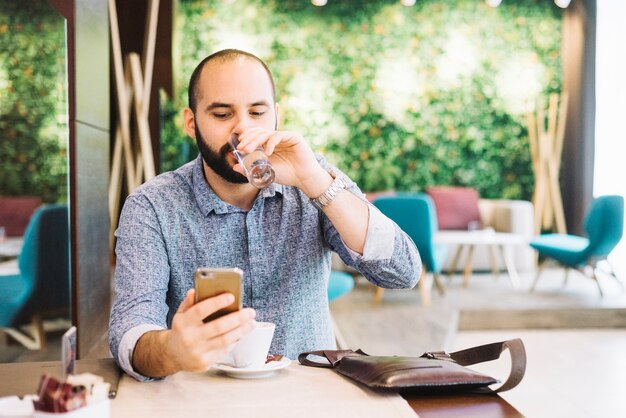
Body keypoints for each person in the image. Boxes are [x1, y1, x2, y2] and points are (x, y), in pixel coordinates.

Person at [109, 49, 421, 381]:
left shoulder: (314, 177)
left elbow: (402, 272)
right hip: (203, 401)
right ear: (191, 122)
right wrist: (171, 349)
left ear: (276, 116)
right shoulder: (152, 205)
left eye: (257, 112)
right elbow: (130, 329)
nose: (242, 130)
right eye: (221, 114)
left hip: (309, 398)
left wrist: (314, 182)